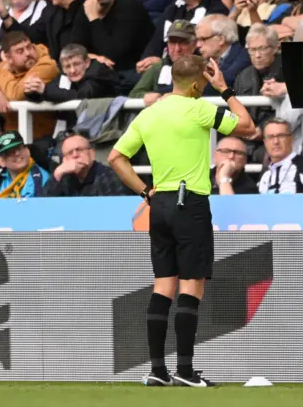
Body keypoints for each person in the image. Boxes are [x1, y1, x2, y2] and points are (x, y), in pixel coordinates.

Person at [107, 55, 255, 386]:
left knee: (163, 286)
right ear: (194, 85)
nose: (204, 89)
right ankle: (186, 371)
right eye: (202, 84)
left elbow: (116, 158)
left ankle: (158, 371)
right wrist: (225, 89)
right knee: (191, 287)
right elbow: (249, 127)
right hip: (191, 203)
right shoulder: (198, 108)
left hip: (158, 205)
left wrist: (145, 192)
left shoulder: (149, 113)